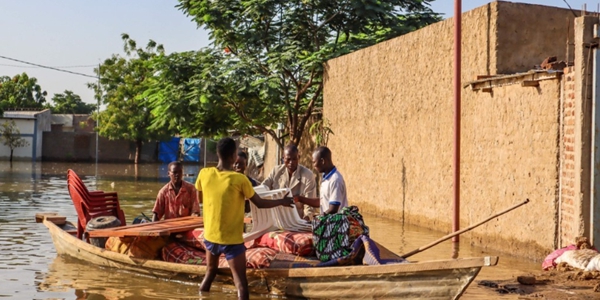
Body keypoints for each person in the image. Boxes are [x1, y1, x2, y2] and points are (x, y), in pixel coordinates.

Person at [196, 137, 294, 300]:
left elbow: (200, 198)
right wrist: (282, 201)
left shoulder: (204, 174)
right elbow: (260, 203)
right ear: (233, 156)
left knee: (210, 272)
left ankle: (200, 296)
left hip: (211, 237)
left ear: (218, 154)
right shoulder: (240, 179)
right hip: (231, 241)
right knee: (241, 283)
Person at [261, 144, 317, 220]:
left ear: (299, 158)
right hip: (277, 219)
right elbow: (263, 188)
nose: (291, 162)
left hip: (297, 220)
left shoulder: (308, 175)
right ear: (283, 158)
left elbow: (310, 204)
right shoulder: (276, 171)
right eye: (288, 159)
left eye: (294, 159)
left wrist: (306, 219)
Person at [293, 146, 348, 215]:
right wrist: (300, 199)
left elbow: (333, 209)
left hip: (337, 224)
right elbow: (322, 201)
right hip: (329, 222)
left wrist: (319, 218)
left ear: (322, 161)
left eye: (314, 162)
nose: (313, 165)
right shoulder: (326, 178)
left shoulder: (335, 180)